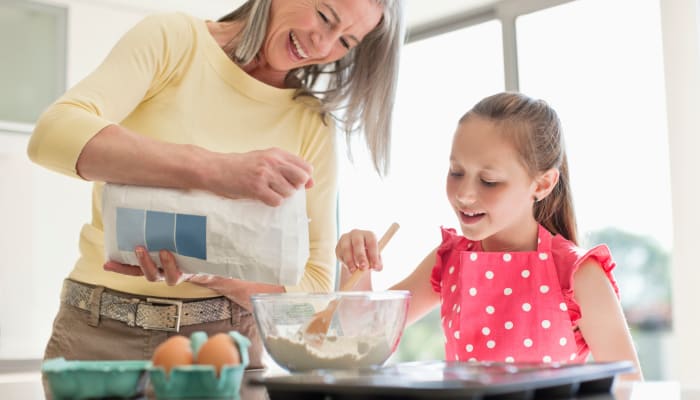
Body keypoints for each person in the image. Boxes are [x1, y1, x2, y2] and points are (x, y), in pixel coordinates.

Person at [27, 0, 404, 370]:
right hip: (97, 336)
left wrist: (206, 273)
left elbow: (313, 290)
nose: (322, 45)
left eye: (345, 42)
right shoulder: (175, 41)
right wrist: (216, 170)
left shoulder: (311, 123)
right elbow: (52, 136)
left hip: (225, 345)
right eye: (324, 16)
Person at [335, 92, 644, 380]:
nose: (465, 195)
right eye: (456, 172)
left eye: (489, 181)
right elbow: (365, 337)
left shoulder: (579, 275)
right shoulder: (450, 259)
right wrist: (356, 266)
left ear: (542, 184)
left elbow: (630, 389)